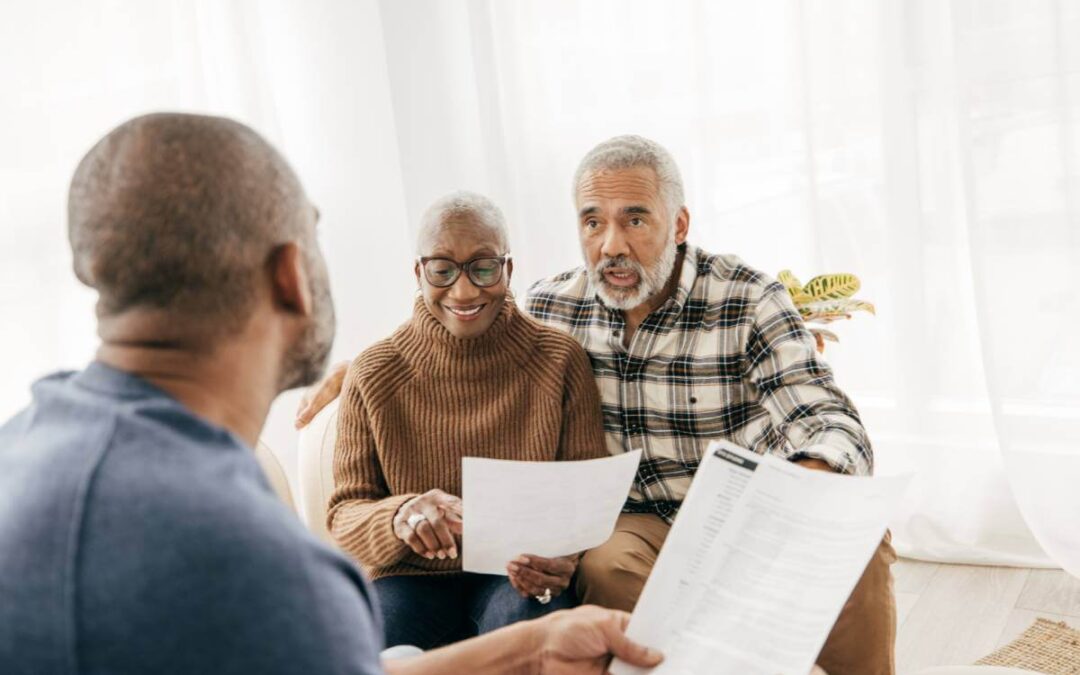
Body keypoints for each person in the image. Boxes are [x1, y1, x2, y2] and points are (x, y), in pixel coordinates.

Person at [0, 113, 663, 675]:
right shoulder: (269, 569)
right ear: (293, 275)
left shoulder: (20, 450)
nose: (464, 288)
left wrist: (534, 638)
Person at [299, 135, 898, 675]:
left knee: (858, 548)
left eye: (635, 219)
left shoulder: (746, 298)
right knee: (604, 565)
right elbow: (462, 330)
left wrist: (808, 480)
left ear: (679, 223)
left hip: (746, 510)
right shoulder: (557, 305)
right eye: (592, 222)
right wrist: (359, 369)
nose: (611, 245)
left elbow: (822, 410)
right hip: (642, 523)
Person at [327, 190, 608, 649]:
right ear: (418, 274)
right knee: (370, 640)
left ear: (508, 269)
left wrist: (564, 558)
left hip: (517, 574)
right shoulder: (373, 373)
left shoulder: (559, 361)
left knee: (526, 634)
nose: (464, 290)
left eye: (483, 267)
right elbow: (344, 515)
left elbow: (582, 496)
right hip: (408, 579)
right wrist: (400, 514)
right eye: (442, 270)